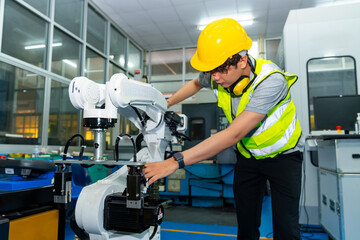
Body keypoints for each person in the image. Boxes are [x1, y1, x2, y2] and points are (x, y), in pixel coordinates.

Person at [143, 18, 303, 240]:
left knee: (285, 228)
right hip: (248, 158)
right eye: (211, 71)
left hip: (284, 159)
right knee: (246, 226)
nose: (214, 78)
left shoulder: (271, 81)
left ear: (243, 60)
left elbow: (233, 134)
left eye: (219, 71)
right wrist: (167, 103)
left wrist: (173, 162)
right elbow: (196, 83)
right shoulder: (218, 75)